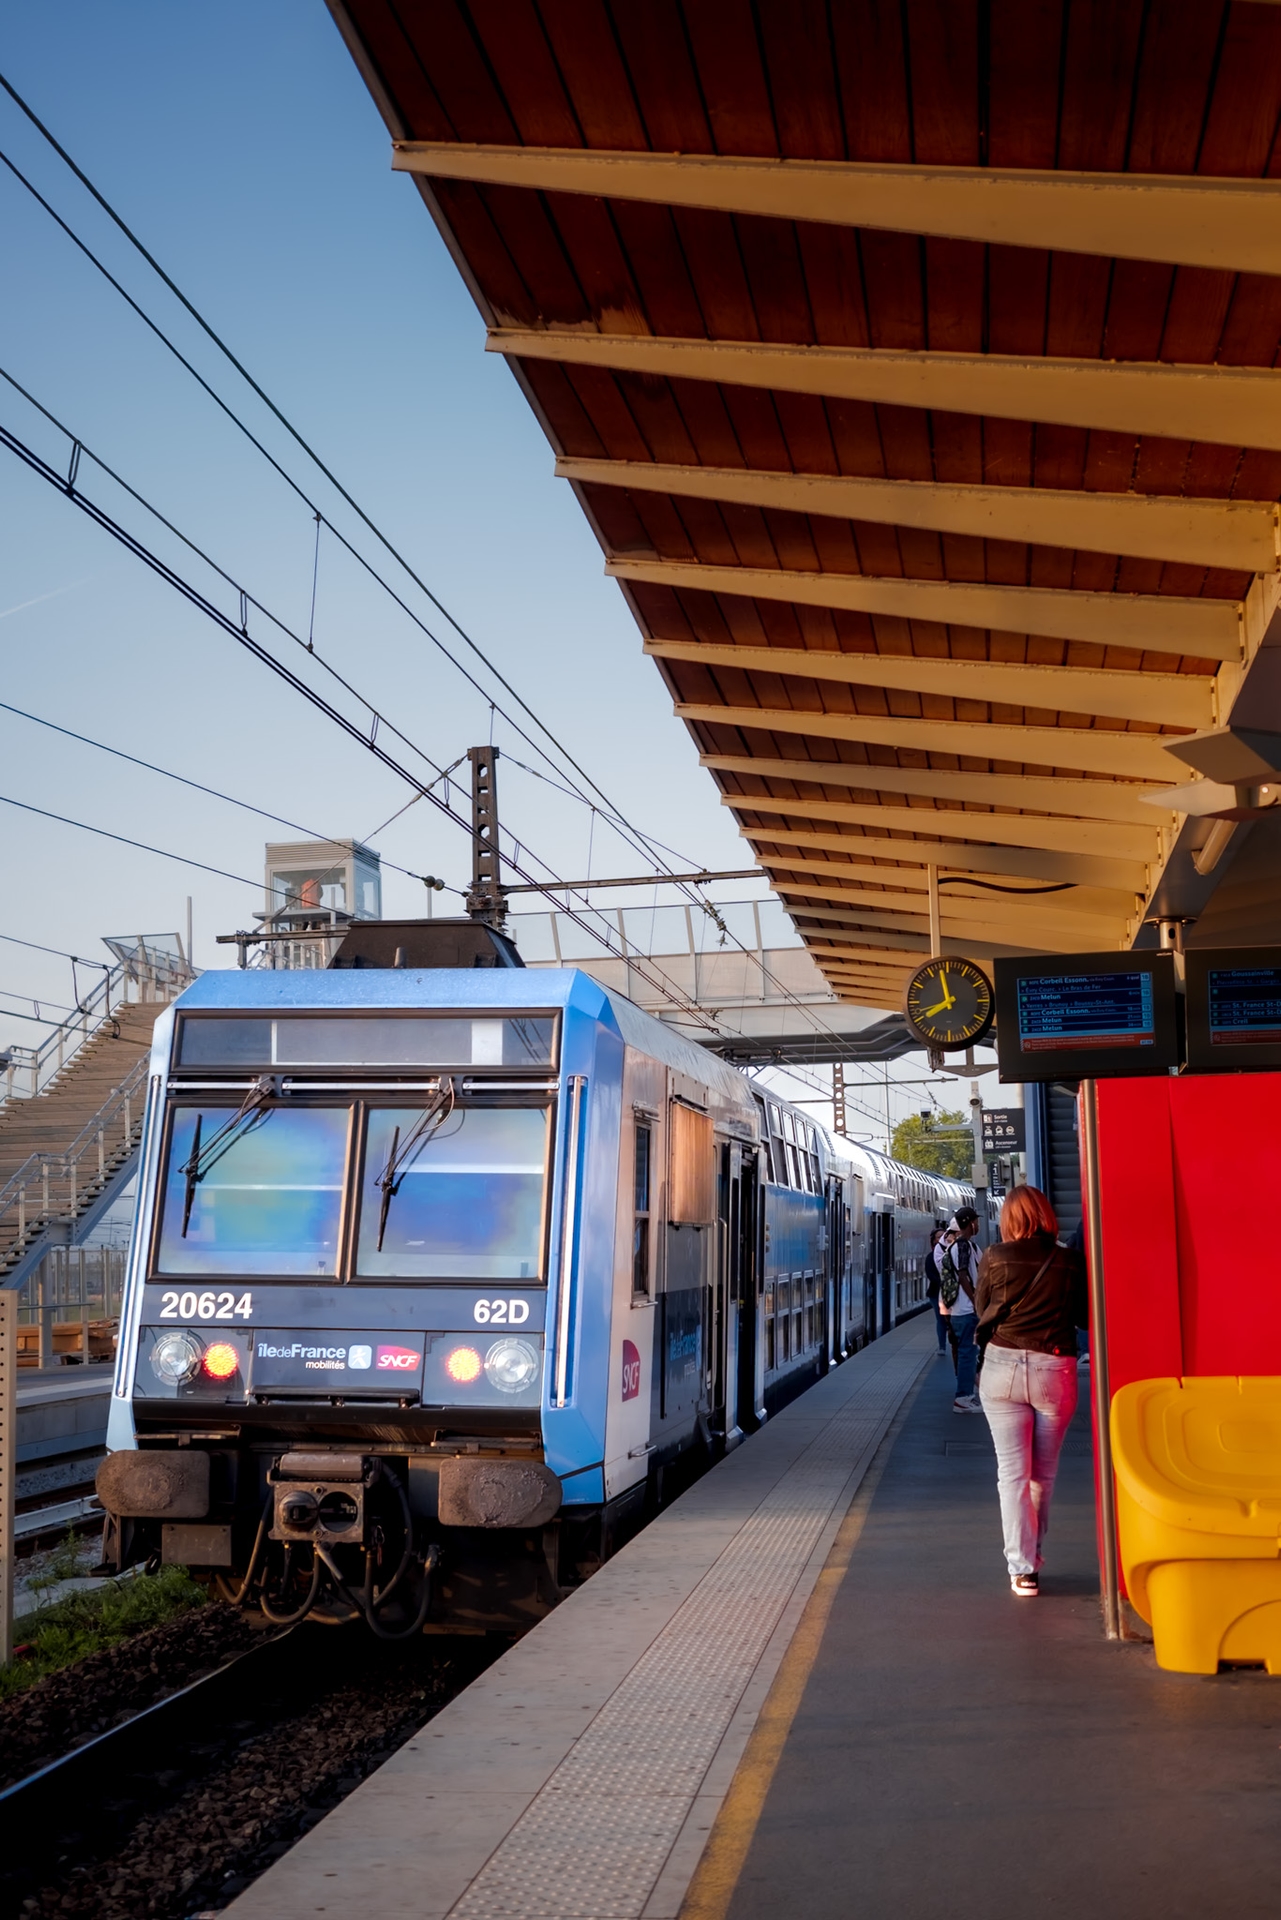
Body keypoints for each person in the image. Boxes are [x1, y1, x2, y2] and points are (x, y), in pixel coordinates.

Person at [975, 1184, 1088, 1598]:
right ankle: (1031, 1561)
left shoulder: (995, 1256)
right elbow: (1084, 1318)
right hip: (1053, 1370)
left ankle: (1021, 1568)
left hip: (1002, 1369)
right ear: (1047, 1216)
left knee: (1012, 1475)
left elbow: (984, 1308)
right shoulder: (1069, 1261)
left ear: (1009, 1219)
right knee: (1043, 1475)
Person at [938, 1208, 981, 1413]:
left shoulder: (960, 1245)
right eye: (976, 1221)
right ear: (970, 1223)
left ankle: (966, 1396)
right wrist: (976, 1301)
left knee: (967, 1354)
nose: (978, 1225)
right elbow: (963, 1275)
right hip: (966, 1310)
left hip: (960, 1310)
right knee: (967, 1355)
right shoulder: (963, 1245)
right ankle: (963, 1398)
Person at [925, 1227, 948, 1357]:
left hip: (950, 1292)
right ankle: (942, 1346)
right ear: (934, 1240)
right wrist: (945, 1284)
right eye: (939, 1237)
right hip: (935, 1293)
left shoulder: (952, 1253)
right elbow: (930, 1274)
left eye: (944, 1236)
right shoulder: (930, 1257)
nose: (942, 1239)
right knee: (941, 1320)